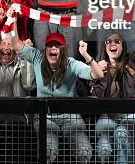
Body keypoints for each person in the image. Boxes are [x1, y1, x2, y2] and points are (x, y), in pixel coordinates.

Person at [10, 15, 103, 164]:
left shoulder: (71, 63)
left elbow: (98, 74)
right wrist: (13, 20)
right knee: (48, 150)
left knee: (84, 150)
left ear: (62, 50)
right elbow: (15, 43)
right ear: (45, 49)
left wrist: (86, 55)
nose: (53, 48)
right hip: (45, 116)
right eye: (50, 45)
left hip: (70, 116)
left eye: (57, 45)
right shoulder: (37, 58)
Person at [91, 31, 135, 164]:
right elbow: (97, 96)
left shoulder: (132, 61)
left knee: (121, 133)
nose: (113, 44)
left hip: (130, 116)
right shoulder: (98, 67)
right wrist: (99, 72)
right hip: (107, 117)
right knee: (103, 149)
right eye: (109, 41)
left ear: (123, 46)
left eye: (117, 41)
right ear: (105, 46)